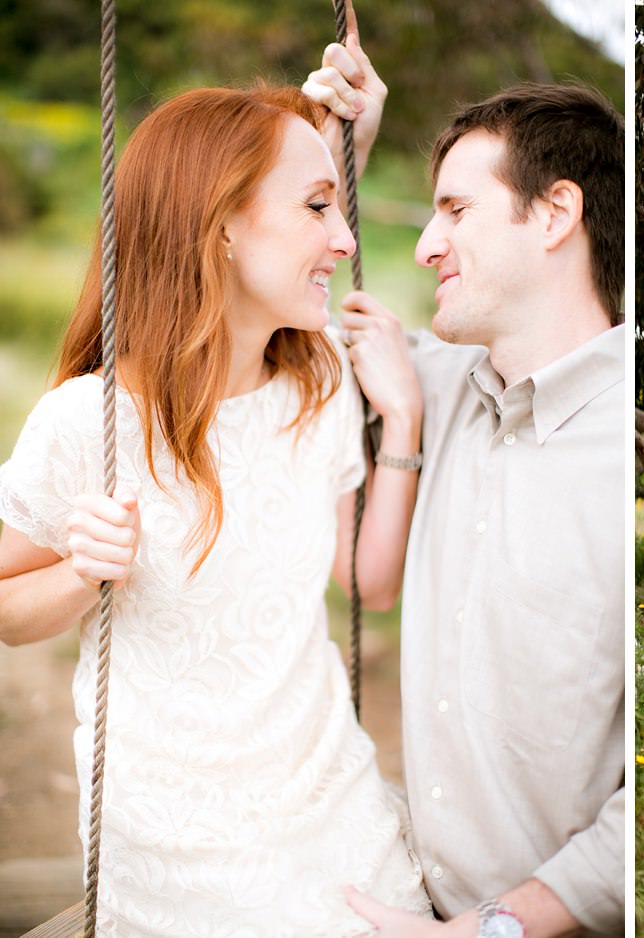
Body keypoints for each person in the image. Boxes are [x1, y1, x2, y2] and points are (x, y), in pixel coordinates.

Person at [0, 85, 432, 935]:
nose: (345, 240)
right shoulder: (90, 423)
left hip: (329, 803)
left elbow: (368, 584)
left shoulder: (322, 384)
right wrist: (82, 576)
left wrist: (406, 421)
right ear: (222, 226)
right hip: (174, 846)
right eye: (318, 208)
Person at [304, 39, 625, 938]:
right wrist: (345, 154)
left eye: (455, 209)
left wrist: (489, 931)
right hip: (402, 891)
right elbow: (289, 309)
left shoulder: (627, 459)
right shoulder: (434, 385)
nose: (426, 241)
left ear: (556, 213)